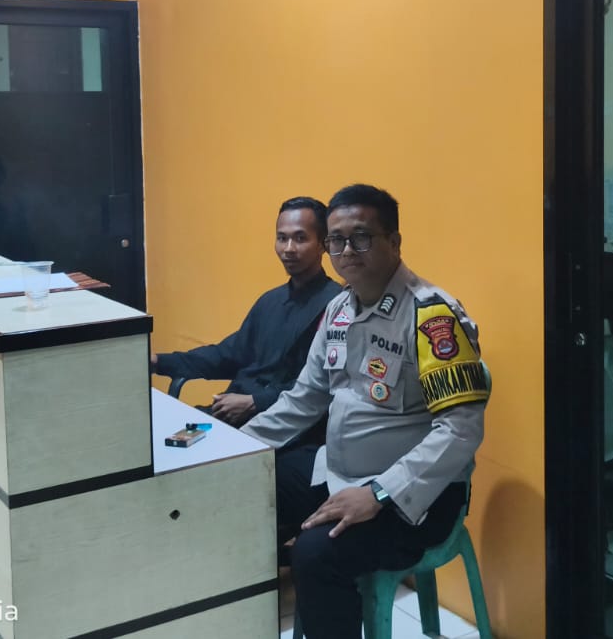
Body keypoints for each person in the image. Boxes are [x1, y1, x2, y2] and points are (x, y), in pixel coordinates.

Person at [240, 184, 490, 639]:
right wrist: (236, 447)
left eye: (361, 237)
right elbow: (304, 398)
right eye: (336, 240)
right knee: (246, 481)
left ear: (394, 242)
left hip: (416, 497)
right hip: (339, 473)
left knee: (315, 554)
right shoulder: (339, 309)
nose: (346, 251)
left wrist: (379, 493)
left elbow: (461, 430)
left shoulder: (431, 317)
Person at [150, 196, 339, 427]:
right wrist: (160, 362)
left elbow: (320, 386)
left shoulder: (335, 306)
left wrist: (255, 402)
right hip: (230, 414)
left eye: (300, 238)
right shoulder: (270, 301)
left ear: (323, 244)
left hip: (283, 425)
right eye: (282, 238)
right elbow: (227, 355)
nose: (288, 248)